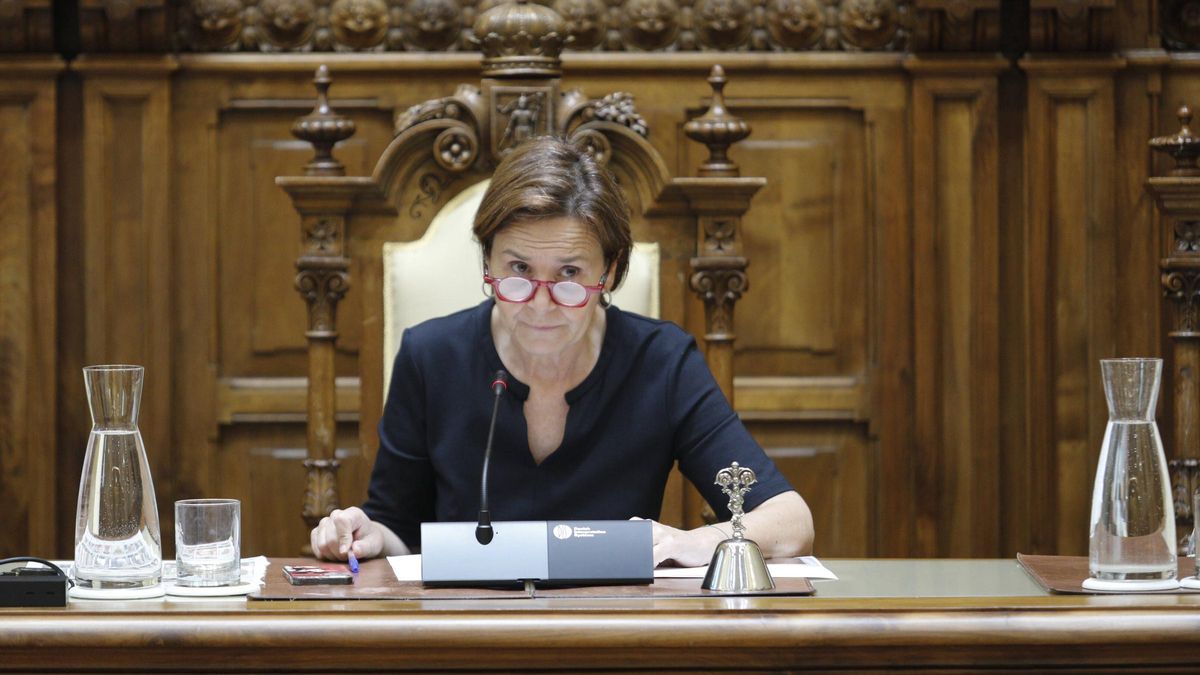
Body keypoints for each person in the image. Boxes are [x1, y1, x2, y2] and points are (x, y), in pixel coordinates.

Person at [310, 135, 814, 567]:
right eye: (519, 271)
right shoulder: (430, 355)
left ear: (609, 272)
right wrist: (370, 535)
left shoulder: (661, 360)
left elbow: (790, 521)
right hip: (467, 632)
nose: (541, 304)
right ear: (487, 261)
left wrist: (700, 540)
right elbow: (399, 528)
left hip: (615, 634)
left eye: (570, 275)